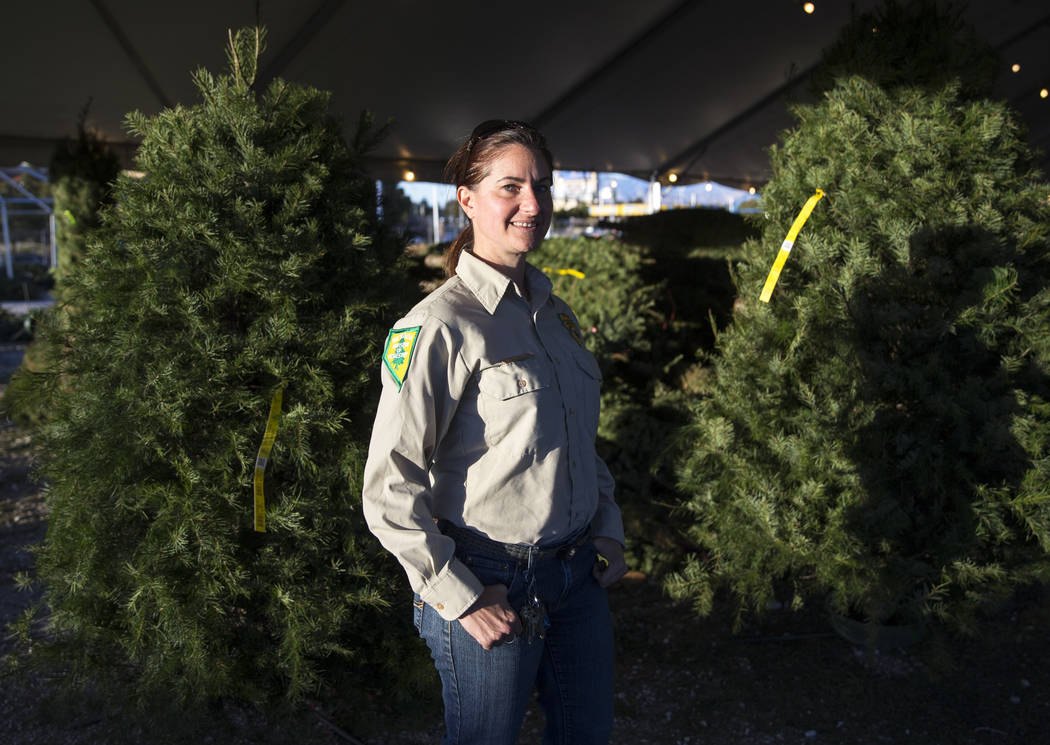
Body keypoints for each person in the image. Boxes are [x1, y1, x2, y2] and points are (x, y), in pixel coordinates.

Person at [362, 119, 627, 745]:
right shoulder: (439, 326)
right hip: (489, 580)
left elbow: (578, 440)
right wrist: (459, 594)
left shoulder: (554, 317)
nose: (532, 204)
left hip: (575, 579)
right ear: (467, 199)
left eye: (542, 186)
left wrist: (607, 531)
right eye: (511, 187)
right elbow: (387, 487)